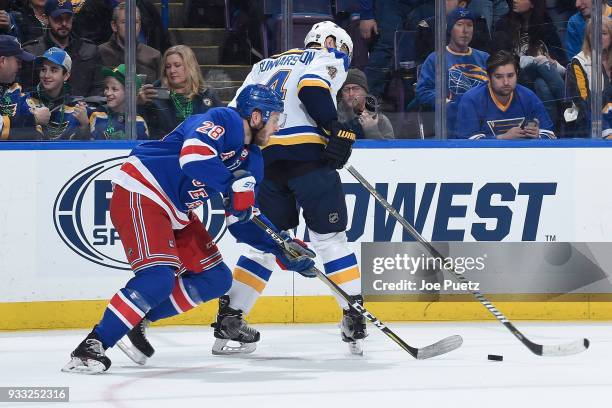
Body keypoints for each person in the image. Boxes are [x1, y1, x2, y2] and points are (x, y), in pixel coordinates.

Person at [61, 84, 316, 373]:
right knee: (158, 278)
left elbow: (242, 221)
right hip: (143, 189)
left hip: (175, 210)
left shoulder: (253, 159)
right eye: (275, 119)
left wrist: (281, 247)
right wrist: (231, 183)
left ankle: (137, 319)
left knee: (216, 279)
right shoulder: (224, 120)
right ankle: (91, 347)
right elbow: (193, 158)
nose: (277, 128)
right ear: (256, 116)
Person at [208, 21, 367, 355]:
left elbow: (238, 112)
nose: (343, 61)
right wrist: (334, 128)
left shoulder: (262, 66)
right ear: (329, 41)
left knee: (263, 247)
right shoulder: (326, 56)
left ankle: (230, 320)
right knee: (330, 241)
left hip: (264, 163)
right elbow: (311, 88)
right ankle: (354, 315)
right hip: (308, 159)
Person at [416, 7, 489, 138]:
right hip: (452, 124)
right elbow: (423, 92)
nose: (465, 31)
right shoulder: (435, 58)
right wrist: (446, 102)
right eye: (459, 25)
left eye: (469, 25)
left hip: (484, 119)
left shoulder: (485, 58)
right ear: (450, 28)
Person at [492, 0, 567, 126]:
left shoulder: (545, 25)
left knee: (542, 85)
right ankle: (568, 104)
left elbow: (560, 57)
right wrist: (536, 61)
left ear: (533, 3)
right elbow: (503, 58)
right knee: (541, 63)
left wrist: (552, 62)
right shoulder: (504, 24)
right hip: (516, 76)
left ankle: (549, 131)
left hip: (542, 78)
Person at [456, 50, 556, 139]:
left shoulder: (528, 97)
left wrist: (538, 135)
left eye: (510, 75)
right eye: (499, 77)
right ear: (488, 77)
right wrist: (501, 138)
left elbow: (551, 135)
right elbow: (466, 143)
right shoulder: (472, 99)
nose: (506, 82)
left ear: (517, 74)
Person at [21, 0, 104, 97]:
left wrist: (87, 108)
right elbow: (25, 89)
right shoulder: (31, 51)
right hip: (44, 108)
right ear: (47, 19)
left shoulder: (89, 50)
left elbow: (98, 87)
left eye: (68, 18)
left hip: (83, 108)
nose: (64, 23)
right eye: (58, 19)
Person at [139, 45, 222, 140]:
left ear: (190, 66)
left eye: (177, 65)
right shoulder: (154, 95)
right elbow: (140, 129)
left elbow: (223, 125)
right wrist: (139, 104)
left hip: (201, 150)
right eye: (168, 67)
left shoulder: (208, 95)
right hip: (166, 150)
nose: (172, 71)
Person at [26, 47, 90, 140]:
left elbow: (86, 150)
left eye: (54, 70)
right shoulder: (26, 99)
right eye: (43, 69)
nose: (46, 75)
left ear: (66, 75)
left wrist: (84, 126)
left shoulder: (77, 106)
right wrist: (31, 119)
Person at [565, 18, 612, 137]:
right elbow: (583, 101)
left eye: (603, 33)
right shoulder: (579, 62)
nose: (598, 37)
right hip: (588, 121)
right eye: (594, 33)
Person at [98, 3, 161, 85]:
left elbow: (161, 89)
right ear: (114, 26)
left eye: (136, 22)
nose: (131, 27)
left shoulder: (154, 55)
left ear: (140, 25)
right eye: (125, 22)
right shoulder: (100, 52)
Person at [0, 34, 48, 140]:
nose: (20, 67)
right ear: (2, 61)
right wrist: (32, 118)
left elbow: (36, 135)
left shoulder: (14, 92)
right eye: (18, 62)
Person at [416, 0, 491, 63]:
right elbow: (424, 62)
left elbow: (484, 60)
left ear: (462, 5)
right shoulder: (428, 26)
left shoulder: (477, 24)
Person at [89, 64, 149, 140]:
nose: (108, 93)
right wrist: (83, 126)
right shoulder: (97, 116)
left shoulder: (139, 123)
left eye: (114, 89)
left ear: (129, 94)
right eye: (107, 88)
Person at [338, 68, 394, 139]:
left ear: (365, 92)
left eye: (356, 89)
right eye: (346, 89)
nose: (351, 93)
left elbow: (389, 149)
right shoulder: (333, 117)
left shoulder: (380, 120)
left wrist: (371, 129)